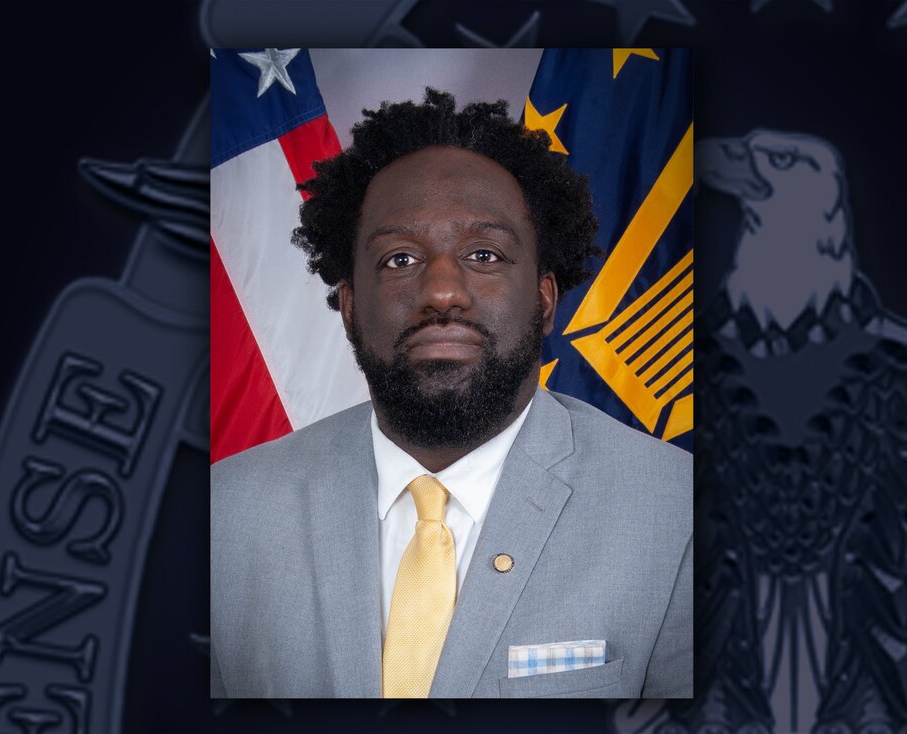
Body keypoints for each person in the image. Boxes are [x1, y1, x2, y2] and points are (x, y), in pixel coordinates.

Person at [211, 89, 692, 699]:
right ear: (349, 306)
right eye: (400, 258)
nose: (442, 292)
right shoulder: (222, 515)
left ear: (544, 300)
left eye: (483, 254)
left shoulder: (681, 515)